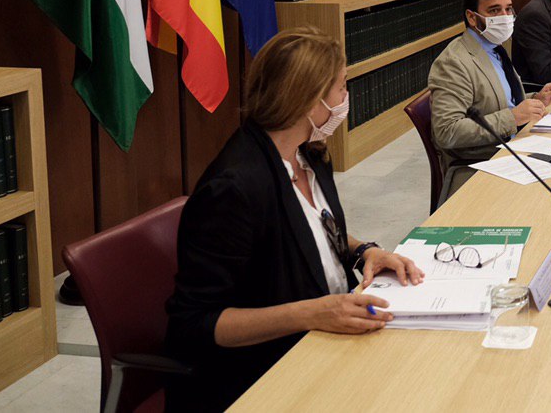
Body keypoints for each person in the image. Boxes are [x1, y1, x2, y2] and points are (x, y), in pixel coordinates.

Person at [166, 27, 424, 412]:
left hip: (326, 341)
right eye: (341, 87)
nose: (346, 98)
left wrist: (364, 251)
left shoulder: (308, 154)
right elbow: (193, 324)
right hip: (263, 373)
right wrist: (313, 312)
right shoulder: (234, 189)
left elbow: (306, 229)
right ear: (309, 99)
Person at [428, 0, 551, 201]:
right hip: (481, 163)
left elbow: (501, 98)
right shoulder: (454, 62)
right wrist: (513, 117)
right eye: (494, 11)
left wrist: (536, 98)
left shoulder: (495, 47)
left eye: (508, 9)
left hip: (514, 149)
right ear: (472, 17)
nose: (505, 17)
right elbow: (447, 132)